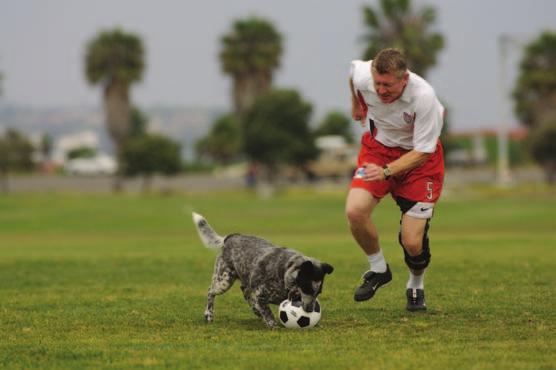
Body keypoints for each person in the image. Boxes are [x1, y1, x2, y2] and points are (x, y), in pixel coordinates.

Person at [346, 48, 445, 311]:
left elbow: (424, 151)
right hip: (376, 152)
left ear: (405, 79)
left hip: (419, 162)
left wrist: (388, 171)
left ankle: (416, 283)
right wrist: (356, 104)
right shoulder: (364, 77)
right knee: (355, 211)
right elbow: (352, 74)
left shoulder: (423, 97)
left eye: (388, 85)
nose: (380, 90)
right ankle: (378, 269)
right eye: (377, 83)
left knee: (412, 241)